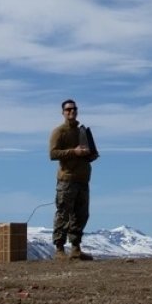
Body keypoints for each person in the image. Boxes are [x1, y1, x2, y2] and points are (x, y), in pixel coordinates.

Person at [49, 98, 98, 260]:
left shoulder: (82, 131)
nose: (71, 112)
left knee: (81, 214)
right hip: (67, 179)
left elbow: (92, 153)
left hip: (83, 179)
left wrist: (89, 153)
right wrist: (73, 152)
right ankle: (59, 249)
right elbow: (53, 153)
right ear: (63, 112)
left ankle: (76, 248)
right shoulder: (59, 132)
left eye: (74, 109)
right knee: (63, 213)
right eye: (68, 109)